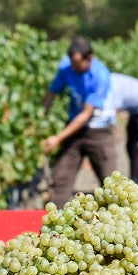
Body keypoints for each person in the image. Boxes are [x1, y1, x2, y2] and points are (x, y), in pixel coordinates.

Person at [40, 36, 118, 208]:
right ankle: (54, 222)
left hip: (99, 129)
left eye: (77, 63)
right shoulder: (67, 68)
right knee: (61, 178)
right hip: (75, 128)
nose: (73, 67)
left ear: (89, 57)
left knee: (111, 182)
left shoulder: (100, 76)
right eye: (71, 63)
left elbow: (86, 114)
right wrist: (40, 116)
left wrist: (57, 138)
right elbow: (52, 92)